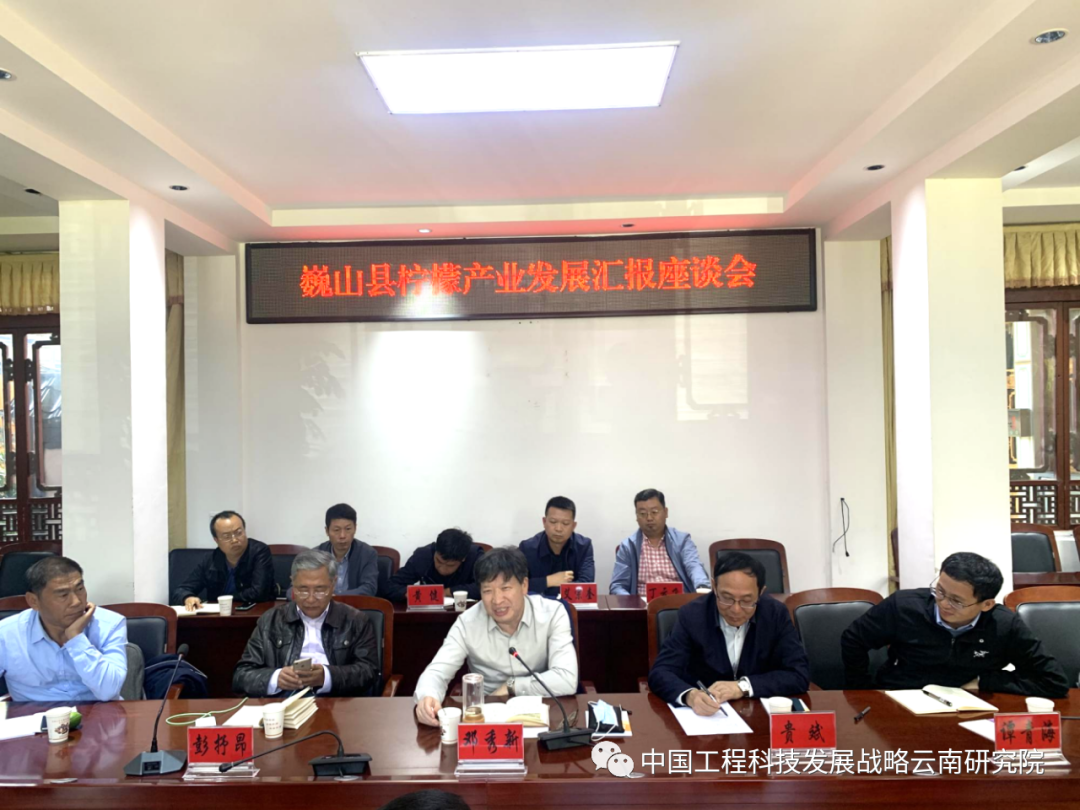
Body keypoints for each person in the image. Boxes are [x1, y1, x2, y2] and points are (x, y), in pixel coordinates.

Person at [841, 551, 1069, 697]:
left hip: (969, 704)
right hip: (902, 694)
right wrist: (862, 690)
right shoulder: (903, 606)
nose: (943, 603)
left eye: (957, 601)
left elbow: (1053, 681)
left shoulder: (1003, 625)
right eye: (940, 591)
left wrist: (985, 681)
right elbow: (853, 639)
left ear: (987, 604)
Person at [414, 546, 578, 726]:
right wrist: (428, 696)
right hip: (487, 714)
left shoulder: (552, 613)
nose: (497, 600)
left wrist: (512, 686)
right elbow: (437, 671)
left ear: (524, 585)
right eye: (487, 591)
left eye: (505, 588)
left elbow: (566, 678)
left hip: (542, 711)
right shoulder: (468, 622)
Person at [648, 552, 809, 712]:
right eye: (726, 598)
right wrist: (690, 695)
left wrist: (743, 686)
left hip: (757, 714)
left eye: (746, 601)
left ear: (760, 592)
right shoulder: (692, 615)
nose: (736, 609)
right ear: (714, 587)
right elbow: (661, 672)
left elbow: (798, 674)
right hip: (706, 716)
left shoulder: (775, 614)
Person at [233, 549, 380, 697]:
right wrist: (276, 678)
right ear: (292, 583)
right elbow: (241, 675)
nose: (310, 599)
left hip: (336, 701)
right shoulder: (271, 620)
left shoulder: (355, 620)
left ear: (333, 583)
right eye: (302, 590)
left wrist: (327, 677)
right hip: (285, 702)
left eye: (320, 590)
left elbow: (369, 671)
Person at [0, 556, 128, 702]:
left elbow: (108, 692)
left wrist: (76, 638)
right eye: (63, 595)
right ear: (34, 601)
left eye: (80, 589)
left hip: (98, 712)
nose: (76, 602)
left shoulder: (109, 624)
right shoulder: (6, 634)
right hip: (33, 714)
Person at [610, 488, 710, 596]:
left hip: (679, 602)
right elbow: (617, 585)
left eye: (654, 512)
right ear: (636, 517)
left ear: (665, 512)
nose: (649, 518)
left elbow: (694, 566)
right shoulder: (628, 546)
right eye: (642, 513)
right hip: (643, 603)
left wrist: (702, 586)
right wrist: (631, 602)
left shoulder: (682, 541)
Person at [172, 510, 276, 609]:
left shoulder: (259, 551)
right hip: (217, 616)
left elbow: (259, 592)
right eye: (227, 536)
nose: (234, 540)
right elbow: (181, 589)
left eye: (239, 533)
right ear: (216, 540)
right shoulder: (210, 560)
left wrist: (224, 599)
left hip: (253, 612)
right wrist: (187, 597)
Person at [518, 495, 595, 596]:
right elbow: (518, 586)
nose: (558, 528)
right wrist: (549, 581)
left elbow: (586, 586)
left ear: (573, 526)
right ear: (544, 522)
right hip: (536, 605)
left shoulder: (584, 546)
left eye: (565, 523)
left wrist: (543, 587)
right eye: (553, 522)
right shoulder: (527, 548)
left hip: (571, 604)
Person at [383, 528, 484, 604]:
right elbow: (390, 586)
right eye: (438, 561)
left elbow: (485, 587)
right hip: (429, 614)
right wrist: (407, 593)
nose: (442, 569)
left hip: (465, 613)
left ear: (463, 559)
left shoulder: (475, 557)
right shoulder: (423, 556)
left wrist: (446, 592)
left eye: (450, 565)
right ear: (436, 550)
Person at [316, 502, 379, 597]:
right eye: (336, 530)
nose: (342, 536)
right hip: (323, 605)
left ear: (355, 528)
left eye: (348, 529)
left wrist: (336, 597)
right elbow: (297, 588)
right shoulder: (315, 555)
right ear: (327, 531)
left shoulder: (367, 554)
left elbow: (369, 588)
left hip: (355, 605)